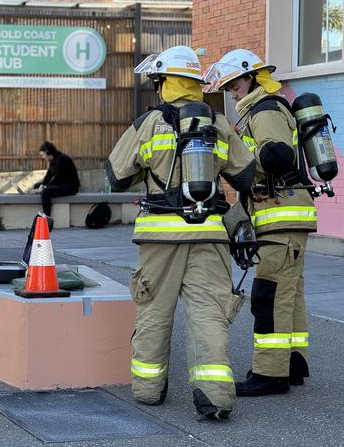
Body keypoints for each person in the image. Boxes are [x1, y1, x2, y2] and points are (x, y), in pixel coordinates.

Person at [106, 45, 255, 420]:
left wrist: (151, 170)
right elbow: (245, 175)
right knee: (208, 314)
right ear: (195, 83)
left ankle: (149, 389)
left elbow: (117, 176)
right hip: (209, 233)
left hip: (160, 237)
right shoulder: (218, 122)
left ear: (162, 82)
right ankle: (216, 397)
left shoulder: (148, 121)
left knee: (154, 312)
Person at [204, 49, 318, 396]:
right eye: (228, 88)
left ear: (251, 78)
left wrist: (239, 159)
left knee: (269, 296)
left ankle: (270, 373)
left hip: (281, 214)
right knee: (289, 292)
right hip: (286, 215)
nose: (232, 92)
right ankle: (293, 362)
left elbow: (277, 155)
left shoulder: (265, 109)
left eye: (235, 85)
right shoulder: (262, 108)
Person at [30, 141, 79, 216]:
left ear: (48, 152)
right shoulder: (52, 161)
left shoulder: (62, 159)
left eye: (43, 155)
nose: (42, 157)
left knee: (46, 192)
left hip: (70, 187)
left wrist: (45, 187)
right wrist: (42, 185)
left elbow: (59, 178)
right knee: (37, 186)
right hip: (61, 184)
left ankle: (46, 217)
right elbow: (48, 176)